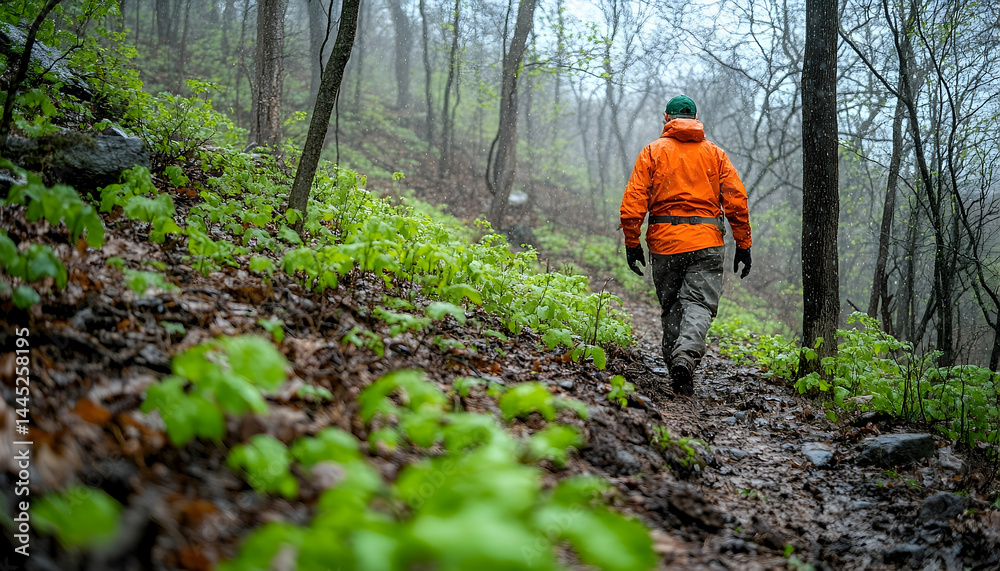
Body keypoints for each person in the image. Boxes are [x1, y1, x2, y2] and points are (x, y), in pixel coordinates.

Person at [619, 95, 752, 396]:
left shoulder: (652, 152)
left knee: (672, 306)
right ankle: (686, 358)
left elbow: (632, 205)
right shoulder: (715, 154)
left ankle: (677, 371)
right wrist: (743, 245)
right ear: (695, 118)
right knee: (701, 304)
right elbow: (736, 201)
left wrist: (632, 243)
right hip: (707, 243)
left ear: (666, 118)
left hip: (664, 244)